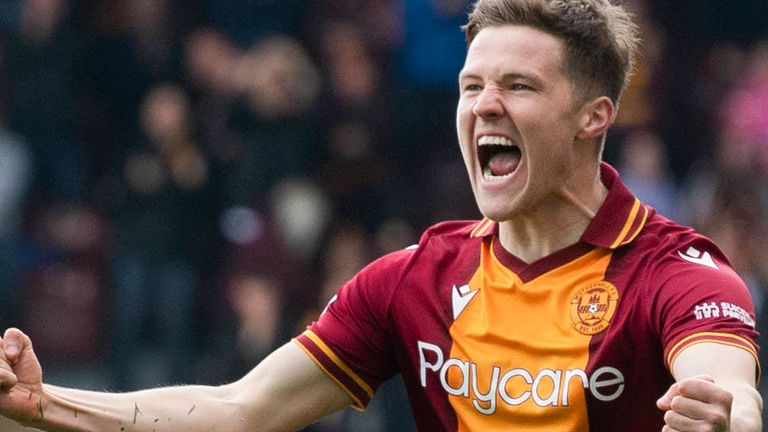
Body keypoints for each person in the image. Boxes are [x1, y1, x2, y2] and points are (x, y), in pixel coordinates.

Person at [0, 0, 762, 431]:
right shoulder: (414, 279)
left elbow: (727, 386)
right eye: (471, 87)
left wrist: (724, 417)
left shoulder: (677, 272)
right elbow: (240, 408)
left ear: (595, 117)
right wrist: (45, 403)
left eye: (519, 86)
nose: (485, 105)